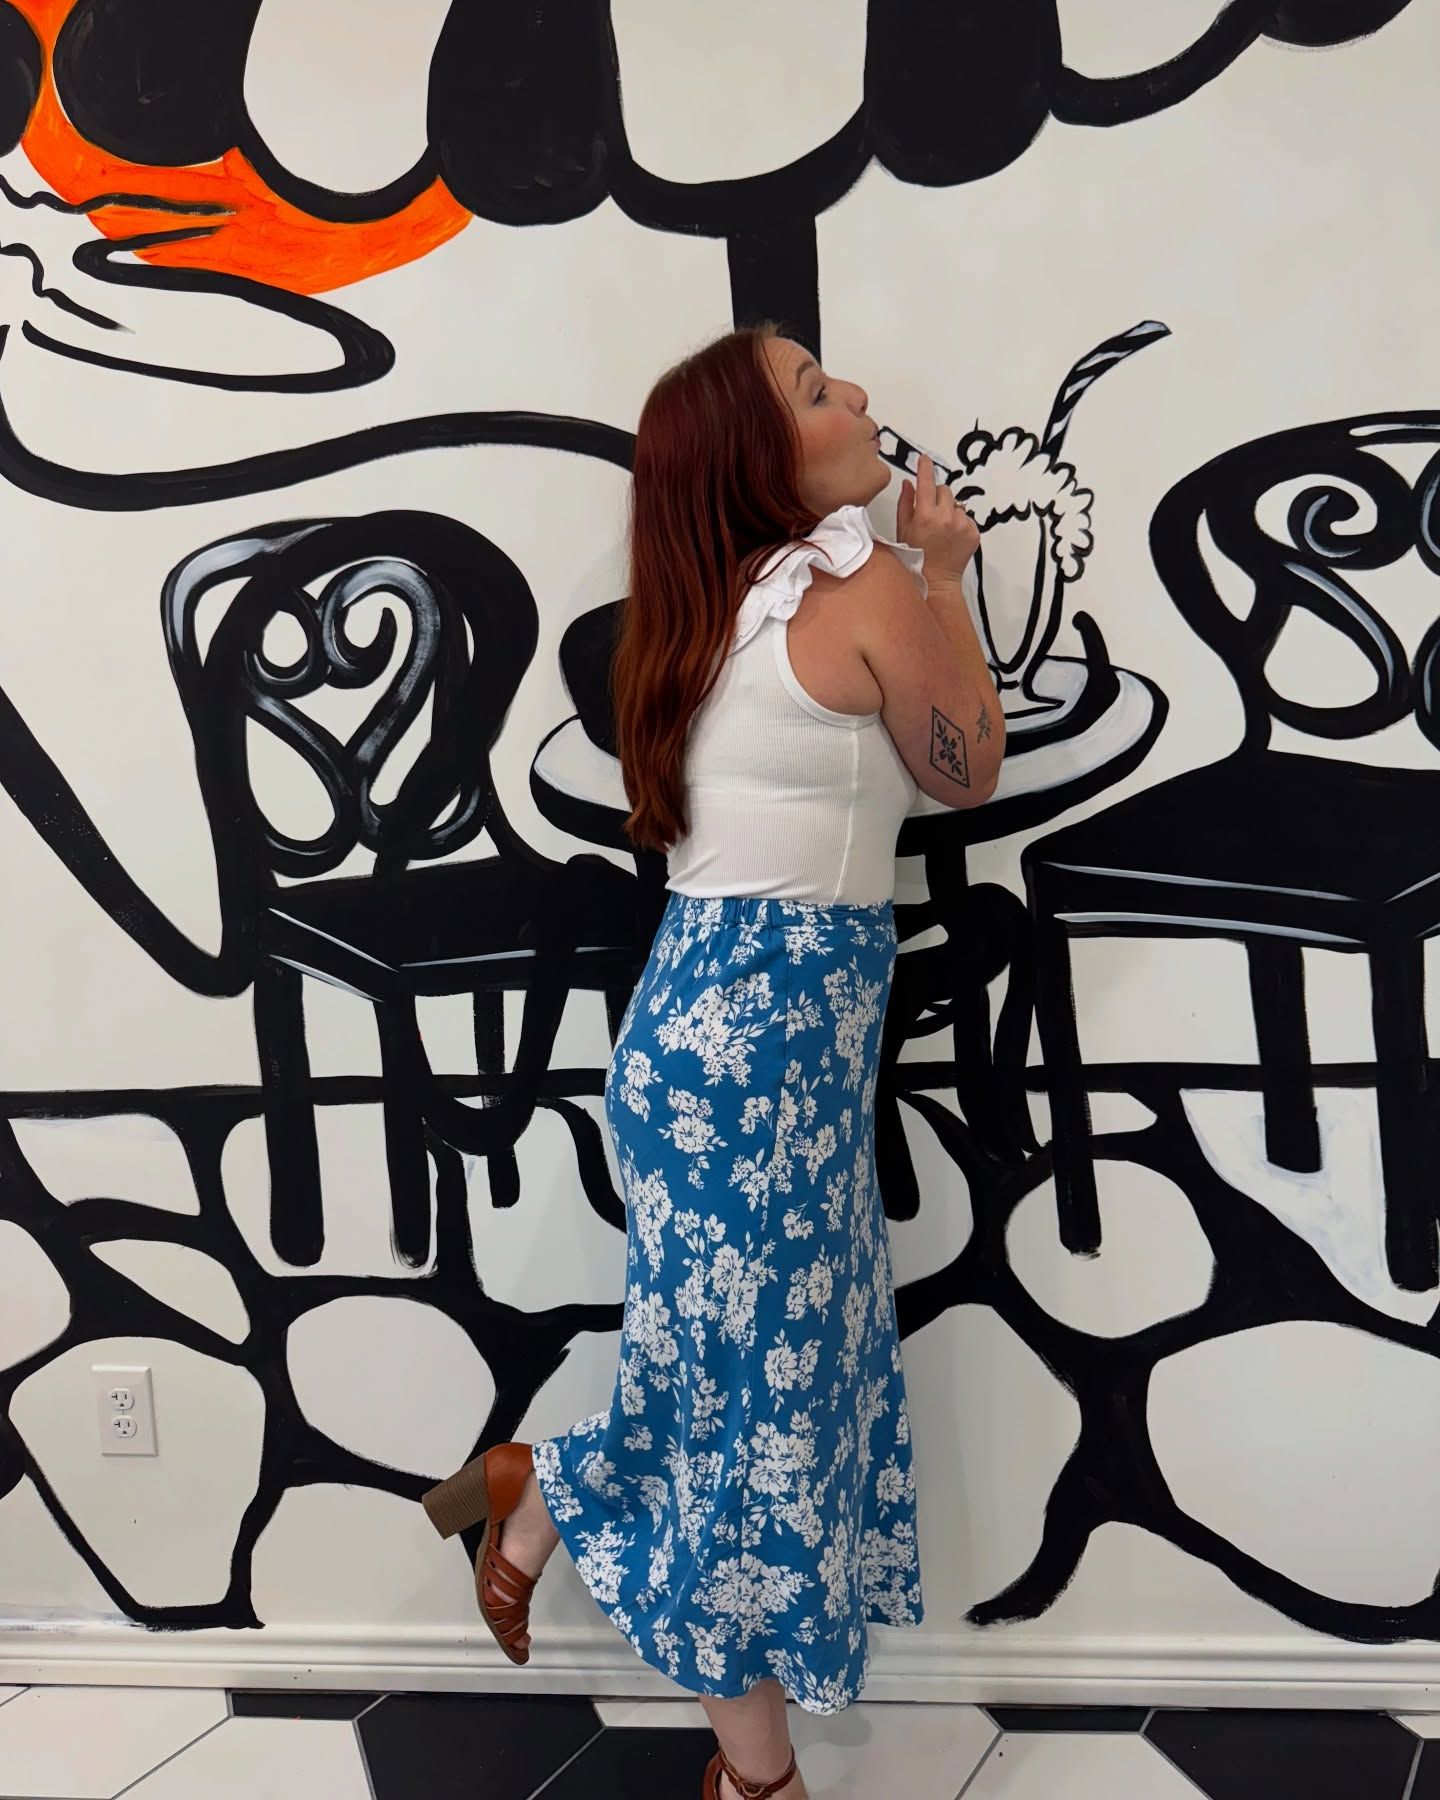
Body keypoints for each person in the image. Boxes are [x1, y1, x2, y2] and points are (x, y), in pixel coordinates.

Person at [422, 325, 1004, 1800]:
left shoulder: (716, 607)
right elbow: (965, 765)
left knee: (742, 1388)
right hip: (751, 1075)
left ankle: (536, 1487)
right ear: (758, 460)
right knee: (762, 1415)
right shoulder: (856, 579)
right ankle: (756, 1780)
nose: (861, 395)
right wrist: (945, 571)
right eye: (819, 391)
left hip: (711, 1056)